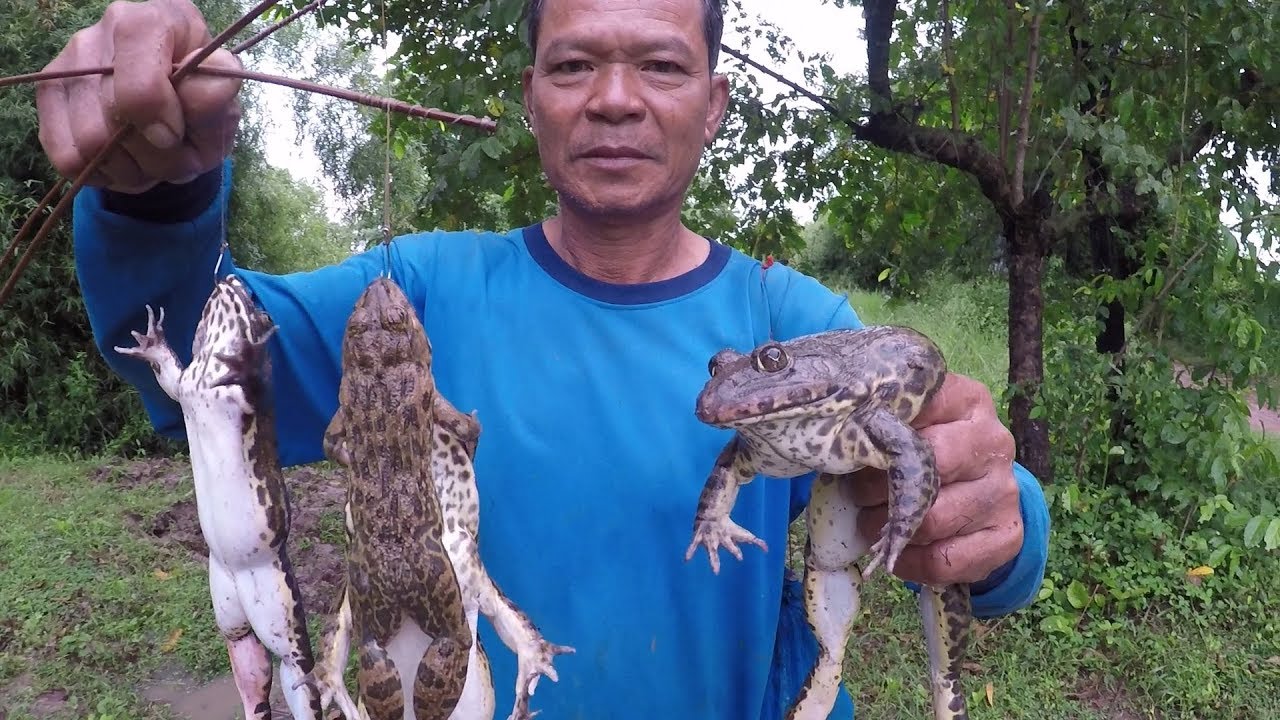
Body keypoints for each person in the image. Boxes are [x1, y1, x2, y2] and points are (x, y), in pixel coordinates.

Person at [38, 0, 1050, 717]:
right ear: (530, 95)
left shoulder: (787, 322)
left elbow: (963, 504)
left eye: (659, 64)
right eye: (572, 65)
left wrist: (1000, 520)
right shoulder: (412, 296)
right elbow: (200, 379)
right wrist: (153, 195)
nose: (613, 98)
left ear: (714, 103)